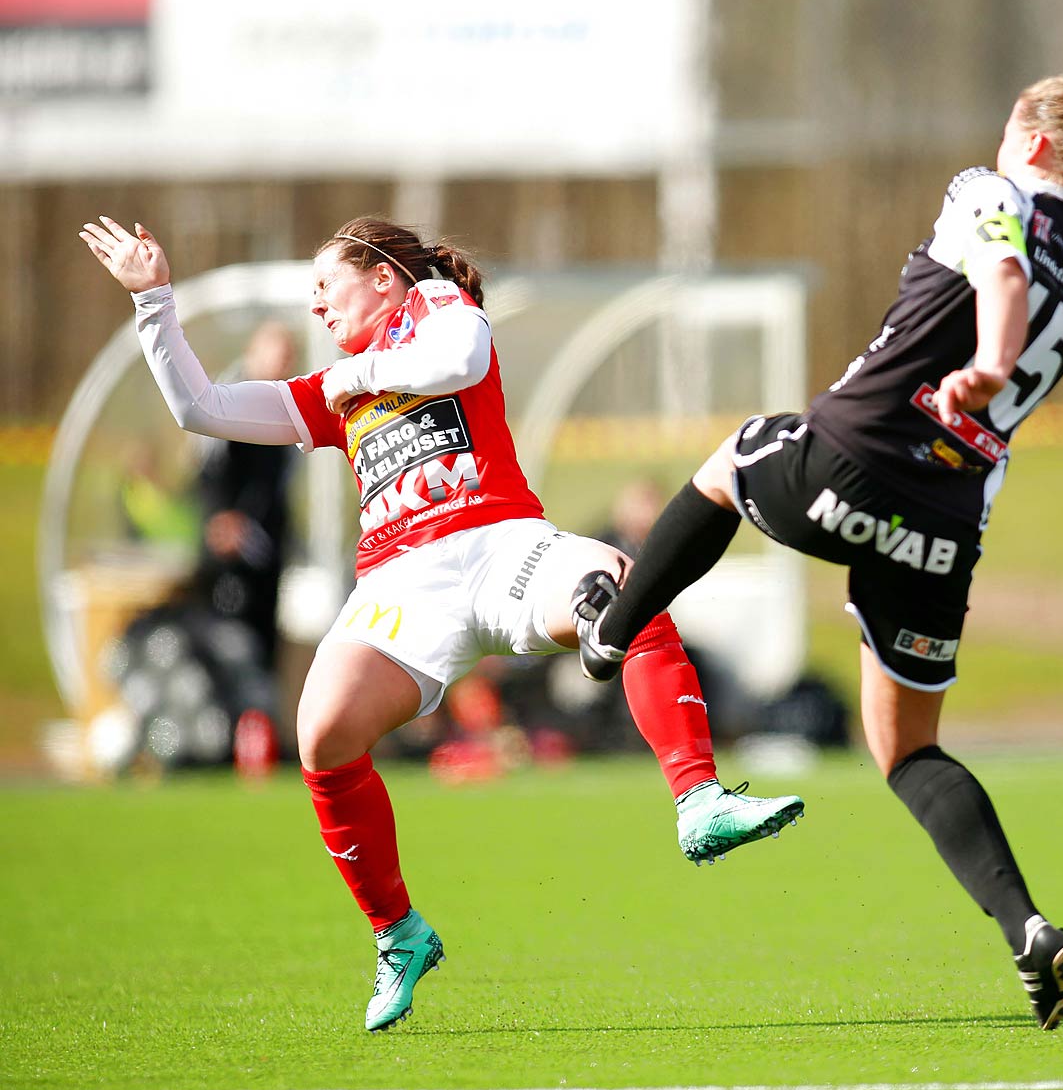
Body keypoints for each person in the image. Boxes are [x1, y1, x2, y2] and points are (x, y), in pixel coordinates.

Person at [569, 76, 1063, 1029]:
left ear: (1037, 143)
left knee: (731, 460)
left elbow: (1006, 275)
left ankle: (610, 637)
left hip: (851, 464)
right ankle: (1029, 929)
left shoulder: (990, 191)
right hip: (943, 526)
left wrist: (990, 364)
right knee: (905, 749)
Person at [79, 214, 806, 1032]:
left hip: (500, 549)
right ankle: (399, 934)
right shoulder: (340, 384)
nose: (316, 307)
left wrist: (356, 379)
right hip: (400, 586)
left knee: (625, 586)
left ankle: (698, 800)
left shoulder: (438, 306)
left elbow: (458, 359)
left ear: (382, 276)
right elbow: (200, 406)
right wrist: (154, 302)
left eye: (326, 284)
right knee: (321, 735)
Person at [195, 320, 300, 672]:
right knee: (228, 648)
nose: (281, 365)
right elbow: (207, 470)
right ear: (252, 354)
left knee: (263, 646)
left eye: (288, 359)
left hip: (265, 548)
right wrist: (219, 517)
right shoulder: (228, 402)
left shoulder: (284, 409)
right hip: (229, 553)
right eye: (275, 355)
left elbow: (278, 484)